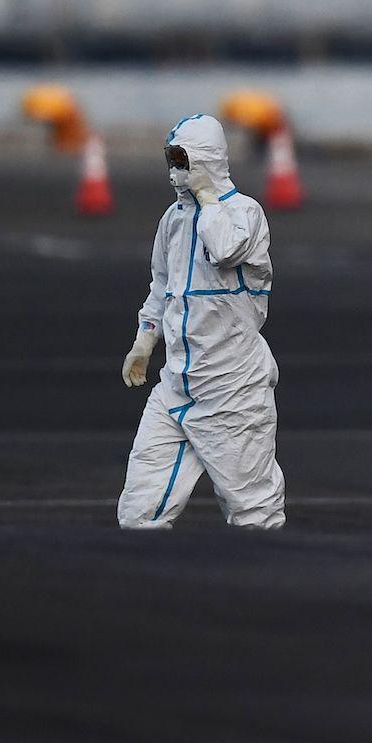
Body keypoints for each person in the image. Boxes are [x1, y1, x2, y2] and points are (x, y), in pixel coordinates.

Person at [118, 114, 286, 528]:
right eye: (170, 159)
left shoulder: (243, 214)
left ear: (205, 160)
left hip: (231, 392)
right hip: (175, 388)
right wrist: (144, 341)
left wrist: (208, 196)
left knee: (254, 514)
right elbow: (161, 287)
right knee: (139, 512)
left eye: (182, 159)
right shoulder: (173, 220)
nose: (174, 170)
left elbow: (225, 248)